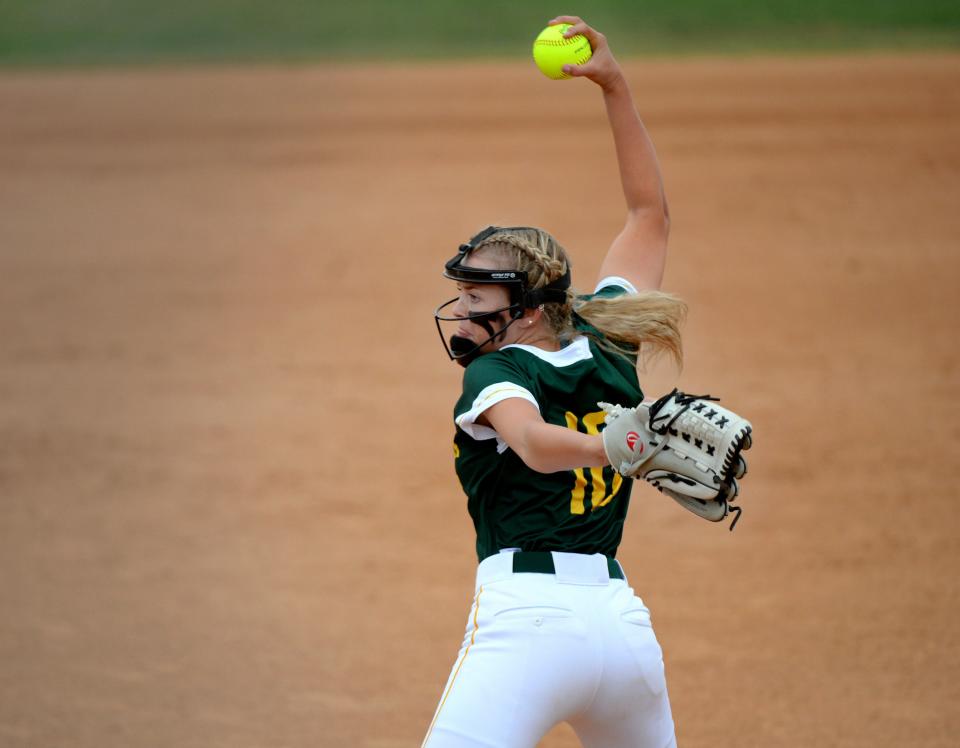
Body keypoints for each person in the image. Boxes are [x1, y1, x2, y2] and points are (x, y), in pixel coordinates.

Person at [424, 16, 685, 748]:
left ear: (531, 312)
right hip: (623, 631)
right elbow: (649, 215)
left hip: (528, 629)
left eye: (480, 303)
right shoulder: (609, 331)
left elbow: (534, 444)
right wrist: (614, 84)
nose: (464, 316)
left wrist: (617, 443)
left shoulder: (495, 370)